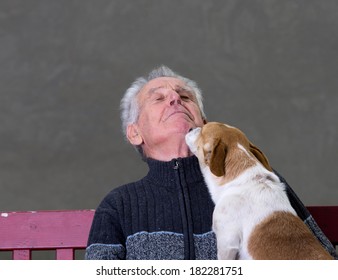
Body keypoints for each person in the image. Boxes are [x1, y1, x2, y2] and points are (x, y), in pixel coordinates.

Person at [85, 66, 337, 260]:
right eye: (159, 99)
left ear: (203, 124)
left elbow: (319, 257)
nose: (175, 98)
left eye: (185, 96)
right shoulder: (119, 206)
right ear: (134, 133)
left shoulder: (259, 181)